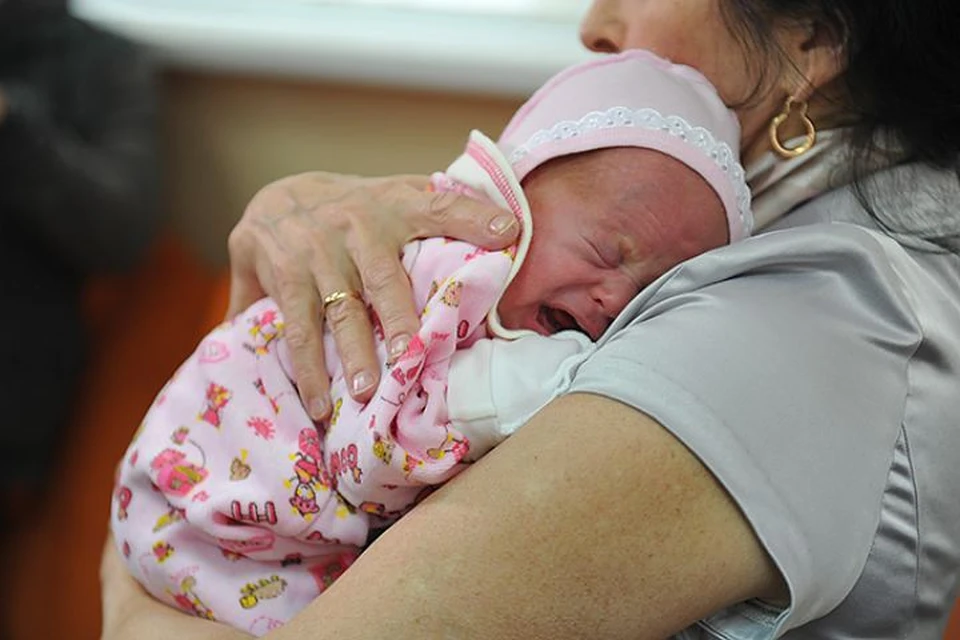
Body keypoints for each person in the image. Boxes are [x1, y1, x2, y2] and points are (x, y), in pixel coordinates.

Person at [100, 0, 960, 638]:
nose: (594, 23)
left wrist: (131, 609)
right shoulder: (788, 232)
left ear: (810, 34)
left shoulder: (805, 320)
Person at [110, 50, 752, 636]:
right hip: (210, 528)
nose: (615, 298)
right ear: (508, 202)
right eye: (604, 251)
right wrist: (509, 391)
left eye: (647, 292)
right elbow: (373, 462)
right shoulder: (439, 280)